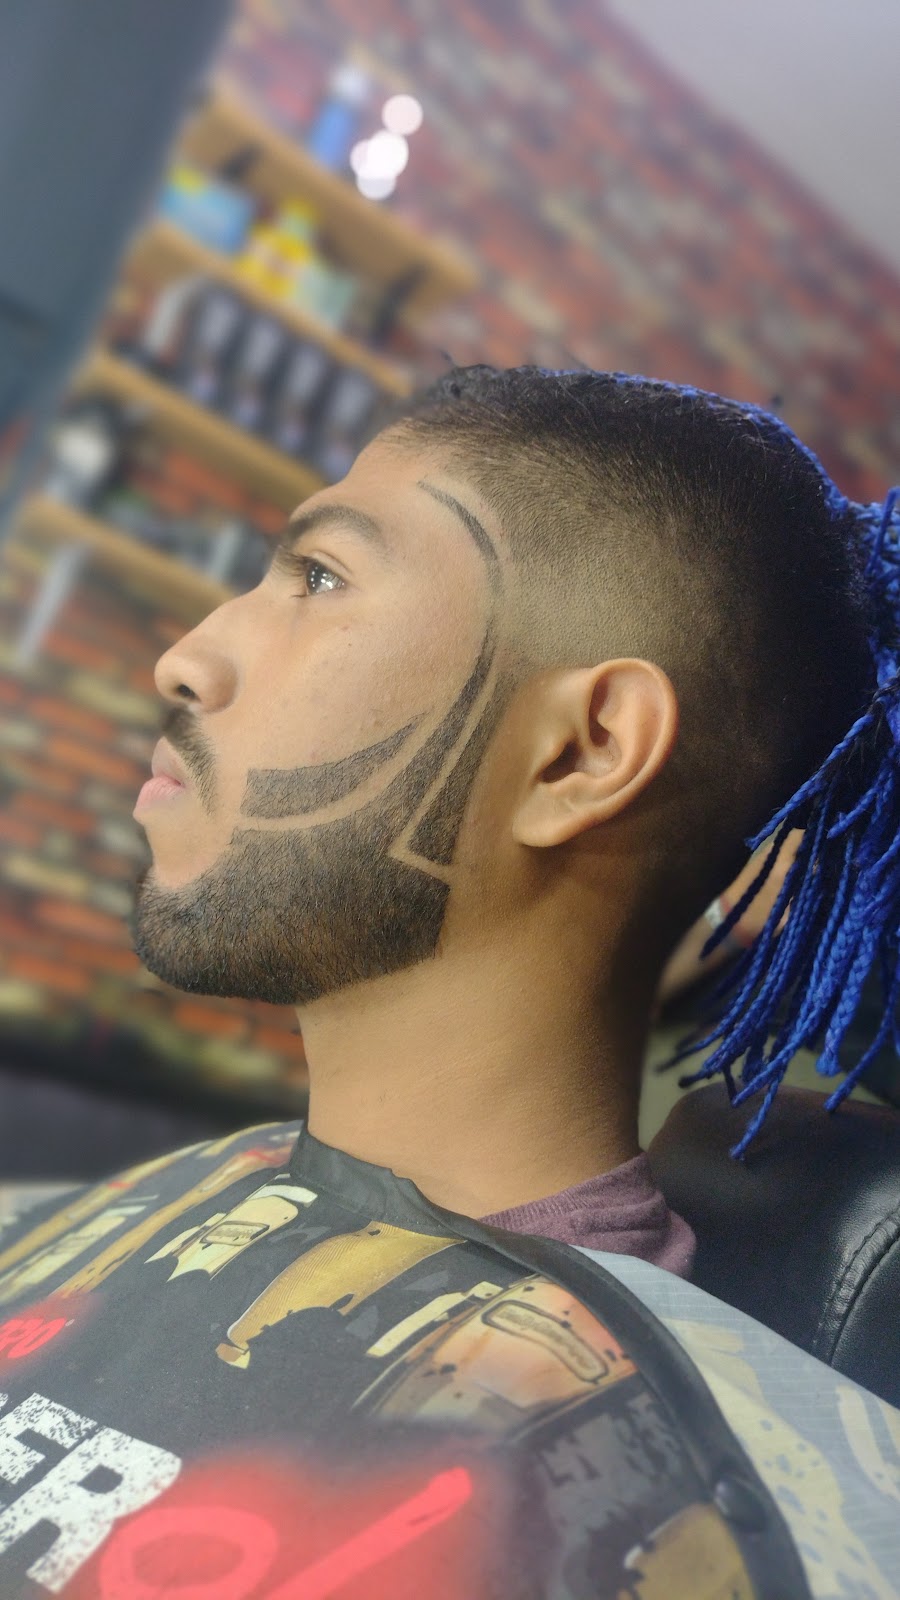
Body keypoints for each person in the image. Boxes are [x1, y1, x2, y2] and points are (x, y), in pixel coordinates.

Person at [0, 367, 898, 1596]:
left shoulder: (614, 1509)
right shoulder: (162, 1206)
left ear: (582, 752)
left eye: (321, 578)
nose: (186, 659)